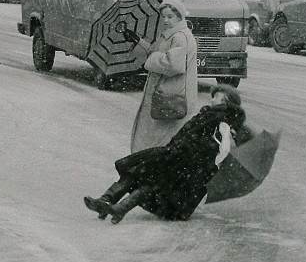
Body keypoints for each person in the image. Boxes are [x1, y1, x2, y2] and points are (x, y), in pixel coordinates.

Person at [84, 84, 247, 224]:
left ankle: (115, 205)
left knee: (149, 176)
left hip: (190, 165)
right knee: (141, 170)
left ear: (226, 100)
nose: (212, 99)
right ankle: (107, 202)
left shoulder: (224, 118)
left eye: (217, 97)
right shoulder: (211, 114)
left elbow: (221, 148)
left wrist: (220, 140)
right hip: (178, 156)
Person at [127, 0, 198, 153]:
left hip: (170, 98)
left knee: (159, 141)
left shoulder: (179, 37)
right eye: (164, 16)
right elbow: (157, 52)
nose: (165, 20)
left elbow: (173, 64)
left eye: (170, 17)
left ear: (179, 16)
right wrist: (138, 42)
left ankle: (145, 167)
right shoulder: (171, 35)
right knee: (158, 141)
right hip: (168, 97)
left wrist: (151, 59)